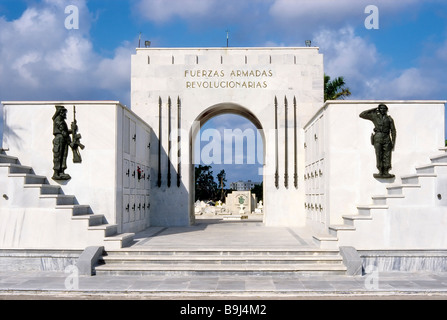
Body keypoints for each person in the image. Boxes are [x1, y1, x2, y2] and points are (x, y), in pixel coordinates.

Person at [359, 104, 397, 178]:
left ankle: (386, 171)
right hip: (378, 137)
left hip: (386, 137)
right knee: (378, 154)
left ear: (386, 110)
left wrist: (393, 141)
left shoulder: (389, 119)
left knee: (387, 154)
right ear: (379, 109)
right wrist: (373, 109)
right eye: (381, 108)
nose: (383, 110)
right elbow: (362, 114)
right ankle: (380, 171)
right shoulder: (375, 116)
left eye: (384, 108)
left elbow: (393, 131)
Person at [52, 106, 72, 180]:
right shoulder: (58, 120)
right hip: (59, 139)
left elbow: (65, 131)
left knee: (63, 156)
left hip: (63, 139)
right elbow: (64, 132)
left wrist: (72, 130)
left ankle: (61, 171)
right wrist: (70, 143)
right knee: (58, 156)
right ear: (60, 112)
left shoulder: (61, 120)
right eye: (64, 112)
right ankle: (56, 173)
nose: (65, 114)